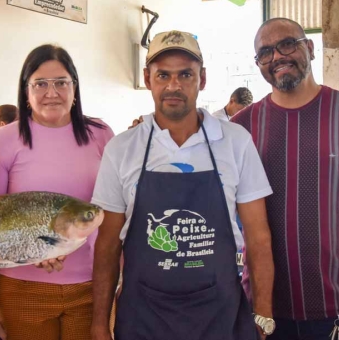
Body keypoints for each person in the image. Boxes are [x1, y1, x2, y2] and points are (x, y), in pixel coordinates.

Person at [91, 30, 275, 340]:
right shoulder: (122, 149)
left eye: (185, 74)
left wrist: (264, 312)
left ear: (202, 79)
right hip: (142, 316)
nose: (173, 85)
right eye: (163, 74)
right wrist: (98, 323)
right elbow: (107, 244)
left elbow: (258, 236)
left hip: (219, 314)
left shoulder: (235, 142)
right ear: (148, 79)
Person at [231, 17, 339, 339]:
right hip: (264, 313)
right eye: (265, 53)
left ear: (309, 48)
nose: (278, 57)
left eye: (287, 44)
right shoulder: (241, 128)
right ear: (259, 65)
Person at [0, 44, 114, 340]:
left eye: (61, 83)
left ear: (74, 88)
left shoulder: (101, 134)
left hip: (92, 286)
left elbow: (116, 213)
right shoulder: (4, 141)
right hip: (20, 289)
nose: (51, 92)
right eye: (40, 83)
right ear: (26, 91)